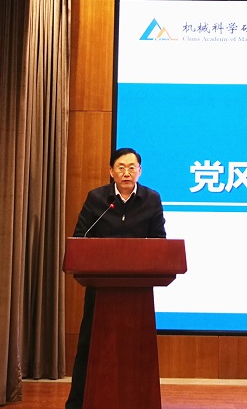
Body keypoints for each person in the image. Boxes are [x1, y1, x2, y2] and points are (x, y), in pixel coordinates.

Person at [65, 147, 166, 409]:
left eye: (132, 167)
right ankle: (78, 403)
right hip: (101, 288)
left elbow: (159, 241)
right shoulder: (97, 199)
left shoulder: (151, 199)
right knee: (89, 345)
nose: (126, 173)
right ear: (111, 171)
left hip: (138, 290)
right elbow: (81, 237)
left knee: (137, 349)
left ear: (140, 171)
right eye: (121, 167)